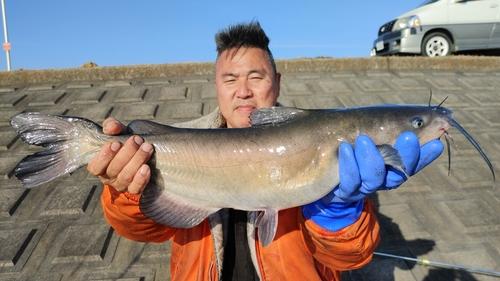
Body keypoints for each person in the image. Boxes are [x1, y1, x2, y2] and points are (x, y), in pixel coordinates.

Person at [87, 21, 444, 281]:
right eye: (230, 79)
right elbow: (143, 230)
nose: (243, 91)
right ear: (216, 87)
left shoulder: (337, 149)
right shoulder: (178, 141)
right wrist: (126, 190)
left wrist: (340, 216)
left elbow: (349, 259)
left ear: (277, 82)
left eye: (256, 77)